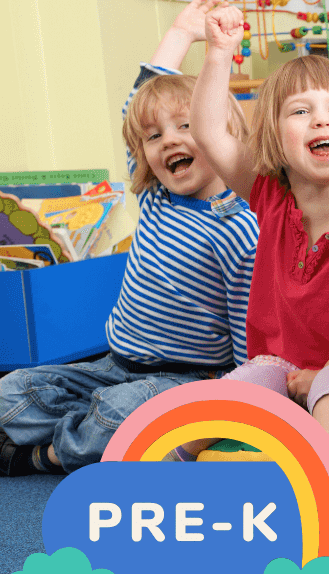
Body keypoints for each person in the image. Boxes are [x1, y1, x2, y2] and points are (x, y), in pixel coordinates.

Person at [0, 0, 258, 476]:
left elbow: (248, 318)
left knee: (115, 417)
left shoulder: (238, 225)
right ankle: (69, 425)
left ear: (222, 134)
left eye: (187, 126)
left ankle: (43, 454)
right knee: (10, 389)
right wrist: (181, 32)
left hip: (182, 375)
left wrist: (235, 392)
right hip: (112, 361)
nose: (169, 141)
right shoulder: (157, 196)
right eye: (155, 137)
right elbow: (136, 105)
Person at [185, 4, 329, 474]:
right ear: (275, 136)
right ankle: (164, 470)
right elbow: (209, 131)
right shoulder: (271, 196)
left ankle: (319, 487)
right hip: (286, 363)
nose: (322, 121)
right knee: (231, 391)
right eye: (301, 111)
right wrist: (218, 53)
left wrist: (325, 374)